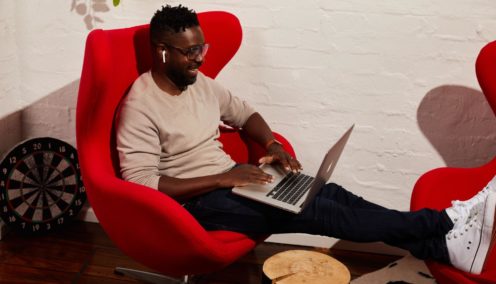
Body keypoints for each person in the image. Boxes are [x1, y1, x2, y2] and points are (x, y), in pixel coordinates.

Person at [116, 4, 496, 274]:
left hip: (235, 179)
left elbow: (246, 115)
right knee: (322, 212)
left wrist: (272, 145)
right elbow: (142, 184)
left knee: (331, 195)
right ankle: (445, 222)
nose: (200, 59)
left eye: (203, 48)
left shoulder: (199, 84)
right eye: (190, 52)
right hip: (195, 204)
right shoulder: (140, 105)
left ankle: (442, 242)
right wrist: (222, 179)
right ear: (163, 51)